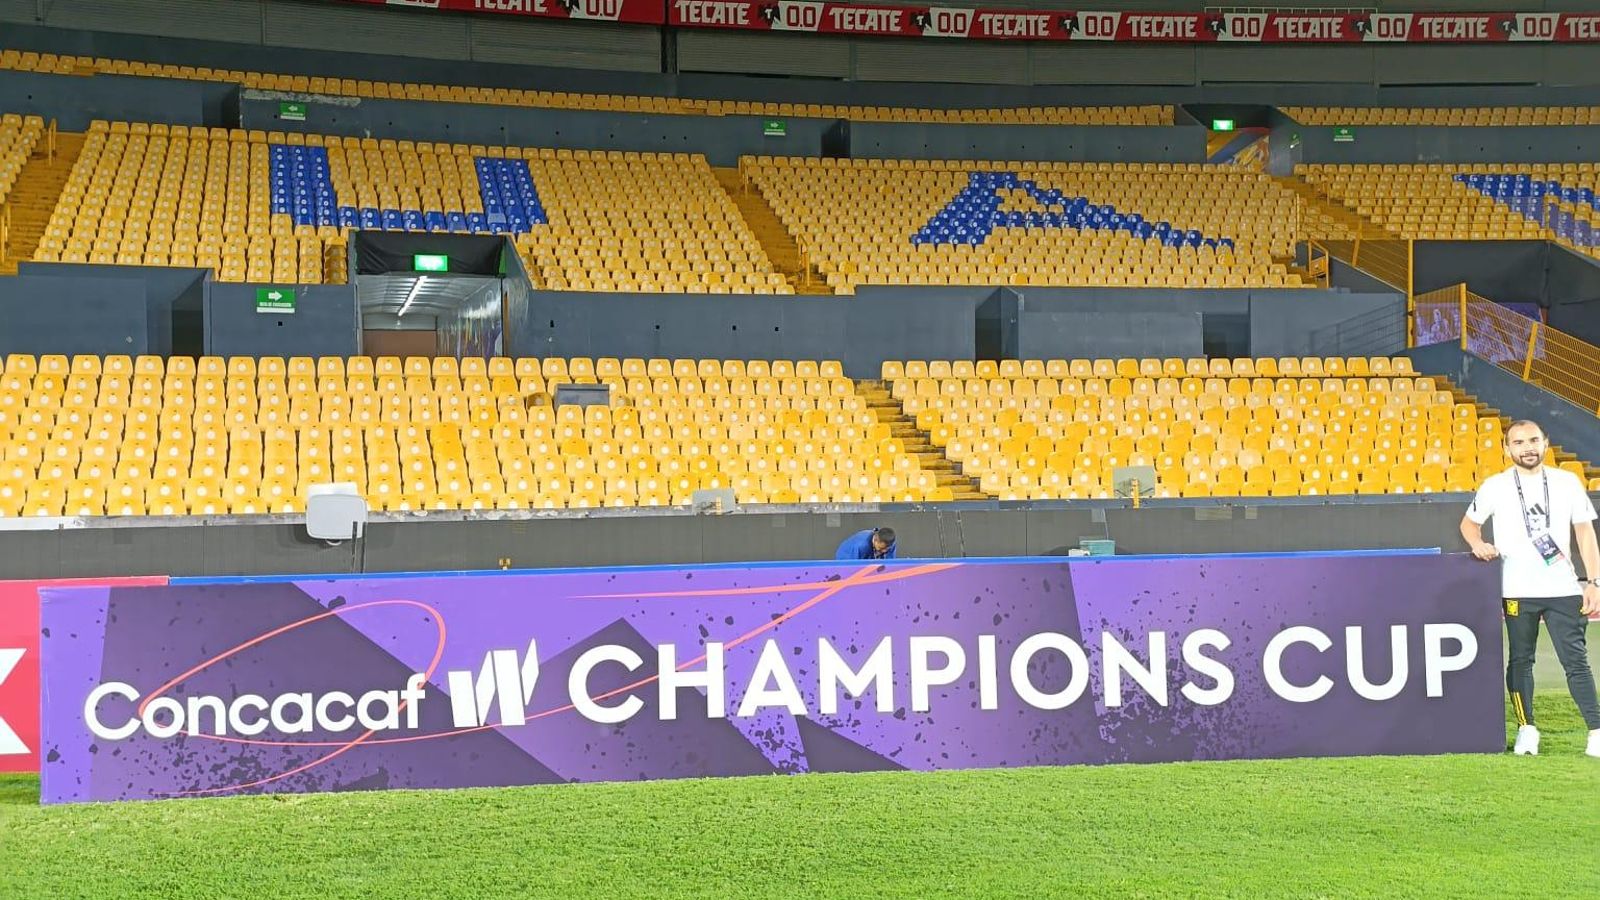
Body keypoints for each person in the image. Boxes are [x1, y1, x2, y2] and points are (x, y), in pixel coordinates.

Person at [1460, 419, 1600, 758]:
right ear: (1507, 449)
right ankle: (1527, 730)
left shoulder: (1567, 482)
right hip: (1516, 589)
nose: (1528, 447)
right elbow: (1468, 525)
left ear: (1546, 443)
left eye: (1534, 440)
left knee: (1576, 662)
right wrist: (1478, 544)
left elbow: (1584, 533)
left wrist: (1594, 582)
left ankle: (1596, 732)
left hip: (1563, 588)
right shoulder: (1495, 486)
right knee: (1520, 660)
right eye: (1519, 442)